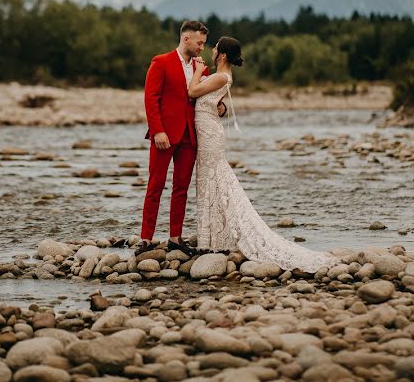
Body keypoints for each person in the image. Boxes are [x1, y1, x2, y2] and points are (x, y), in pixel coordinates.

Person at [189, 36, 339, 272]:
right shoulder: (221, 77)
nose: (212, 50)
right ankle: (214, 237)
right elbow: (212, 100)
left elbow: (193, 91)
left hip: (210, 137)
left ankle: (215, 239)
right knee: (210, 182)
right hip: (208, 132)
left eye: (216, 48)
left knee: (213, 181)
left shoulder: (220, 76)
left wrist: (198, 70)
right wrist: (221, 107)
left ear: (223, 55)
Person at [137, 20, 225, 256]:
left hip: (190, 136)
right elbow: (151, 98)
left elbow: (207, 98)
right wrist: (157, 131)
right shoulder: (161, 62)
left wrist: (222, 108)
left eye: (204, 44)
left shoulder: (202, 68)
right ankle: (145, 238)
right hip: (164, 134)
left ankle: (175, 238)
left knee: (181, 188)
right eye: (199, 42)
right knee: (155, 186)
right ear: (186, 39)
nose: (202, 48)